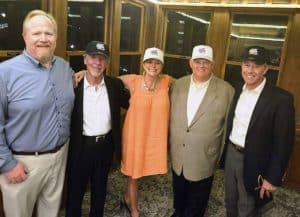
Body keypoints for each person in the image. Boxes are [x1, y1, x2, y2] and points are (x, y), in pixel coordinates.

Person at [0, 10, 74, 217]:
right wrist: (6, 164)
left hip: (60, 157)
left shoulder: (65, 68)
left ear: (56, 38)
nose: (43, 38)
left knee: (51, 213)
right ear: (25, 36)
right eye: (36, 33)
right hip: (22, 164)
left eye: (49, 34)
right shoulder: (5, 73)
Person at [224, 45, 295, 217]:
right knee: (230, 201)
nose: (250, 70)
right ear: (241, 66)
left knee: (248, 207)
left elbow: (283, 143)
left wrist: (273, 178)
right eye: (247, 65)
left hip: (256, 161)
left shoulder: (280, 99)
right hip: (232, 155)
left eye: (256, 66)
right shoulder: (236, 89)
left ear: (265, 69)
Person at [65, 41, 129, 217]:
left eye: (102, 59)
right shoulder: (73, 86)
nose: (97, 63)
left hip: (105, 147)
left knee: (100, 192)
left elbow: (133, 101)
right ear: (85, 59)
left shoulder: (114, 85)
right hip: (80, 147)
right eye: (93, 57)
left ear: (107, 63)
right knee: (75, 194)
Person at [169, 45, 234, 217]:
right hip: (178, 153)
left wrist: (220, 157)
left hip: (205, 155)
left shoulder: (227, 90)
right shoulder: (178, 85)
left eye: (206, 62)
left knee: (198, 198)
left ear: (213, 65)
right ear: (191, 62)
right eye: (198, 61)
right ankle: (179, 211)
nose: (201, 65)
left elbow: (228, 126)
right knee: (179, 190)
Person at [120, 47, 172, 217]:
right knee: (134, 173)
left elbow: (189, 84)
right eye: (149, 61)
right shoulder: (132, 80)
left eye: (157, 62)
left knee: (141, 171)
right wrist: (84, 72)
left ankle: (128, 197)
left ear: (162, 65)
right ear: (143, 64)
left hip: (153, 136)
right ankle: (134, 210)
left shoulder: (167, 81)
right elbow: (105, 79)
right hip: (135, 135)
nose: (153, 65)